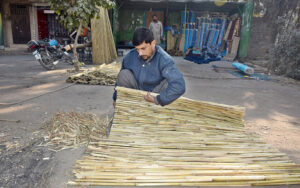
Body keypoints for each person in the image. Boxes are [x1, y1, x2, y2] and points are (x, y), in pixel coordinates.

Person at [113, 27, 185, 107]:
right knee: (123, 74)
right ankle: (131, 105)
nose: (140, 53)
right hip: (136, 91)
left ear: (153, 43)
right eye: (137, 49)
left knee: (170, 80)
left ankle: (155, 108)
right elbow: (119, 82)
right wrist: (116, 98)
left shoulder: (164, 59)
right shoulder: (129, 57)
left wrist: (158, 99)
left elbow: (179, 86)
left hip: (155, 93)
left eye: (143, 48)